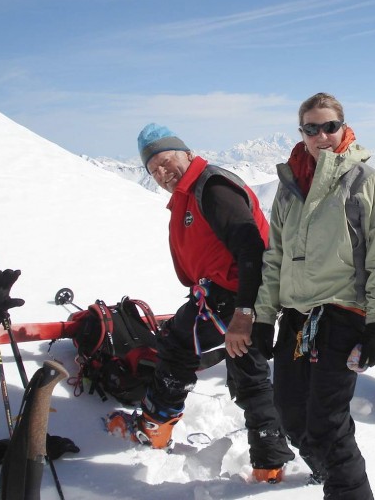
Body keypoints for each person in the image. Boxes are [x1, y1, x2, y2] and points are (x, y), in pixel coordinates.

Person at [106, 124, 295, 483]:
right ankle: (269, 461)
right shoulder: (193, 189)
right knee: (247, 371)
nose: (162, 173)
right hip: (228, 294)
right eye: (154, 170)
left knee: (177, 346)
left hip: (234, 296)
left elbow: (251, 248)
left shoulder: (212, 187)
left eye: (166, 161)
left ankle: (155, 424)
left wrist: (244, 311)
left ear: (187, 153)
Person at [252, 93, 375, 499]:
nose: (322, 136)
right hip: (298, 319)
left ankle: (343, 484)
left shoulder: (365, 181)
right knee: (290, 413)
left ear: (343, 127)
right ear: (302, 133)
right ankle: (332, 470)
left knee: (327, 424)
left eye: (329, 126)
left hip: (342, 314)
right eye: (311, 128)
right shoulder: (289, 186)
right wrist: (265, 316)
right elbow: (275, 257)